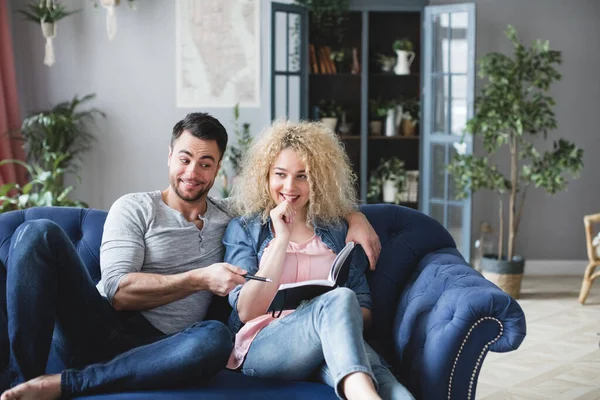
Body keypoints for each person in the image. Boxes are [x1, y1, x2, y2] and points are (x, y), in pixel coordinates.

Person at [1, 113, 381, 400]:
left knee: (216, 338)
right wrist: (199, 279)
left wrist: (355, 216)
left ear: (219, 170)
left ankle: (69, 384)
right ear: (169, 156)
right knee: (38, 233)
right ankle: (24, 384)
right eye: (184, 159)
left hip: (168, 349)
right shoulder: (135, 208)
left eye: (205, 163)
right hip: (97, 327)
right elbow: (117, 291)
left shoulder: (231, 215)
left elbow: (289, 194)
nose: (192, 172)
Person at [223, 120, 414, 400]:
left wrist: (326, 319)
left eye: (303, 176)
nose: (290, 186)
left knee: (390, 386)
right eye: (280, 174)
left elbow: (363, 307)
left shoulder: (337, 229)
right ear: (265, 176)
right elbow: (247, 311)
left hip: (329, 339)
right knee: (339, 298)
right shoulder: (244, 229)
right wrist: (282, 238)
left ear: (319, 179)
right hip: (265, 348)